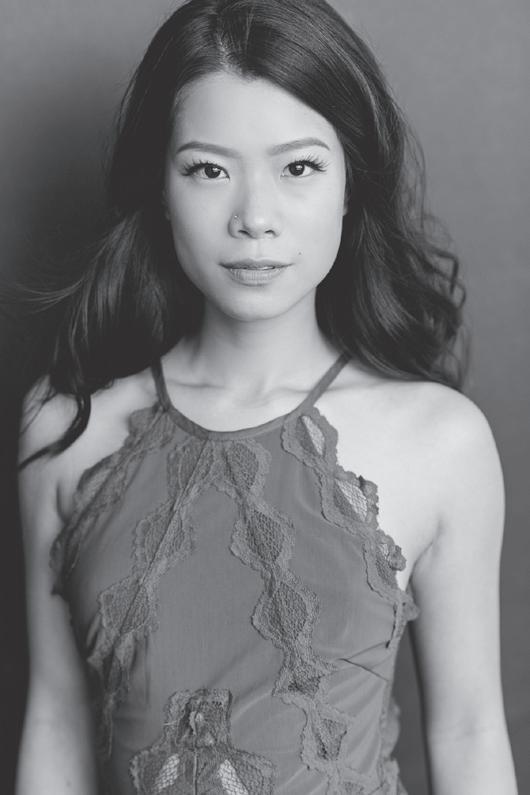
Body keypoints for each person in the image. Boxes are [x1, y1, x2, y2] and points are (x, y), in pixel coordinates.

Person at [16, 0, 517, 793]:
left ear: (350, 184)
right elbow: (56, 718)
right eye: (209, 169)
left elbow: (469, 729)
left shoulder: (441, 439)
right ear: (161, 186)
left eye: (299, 167)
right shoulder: (67, 427)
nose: (254, 217)